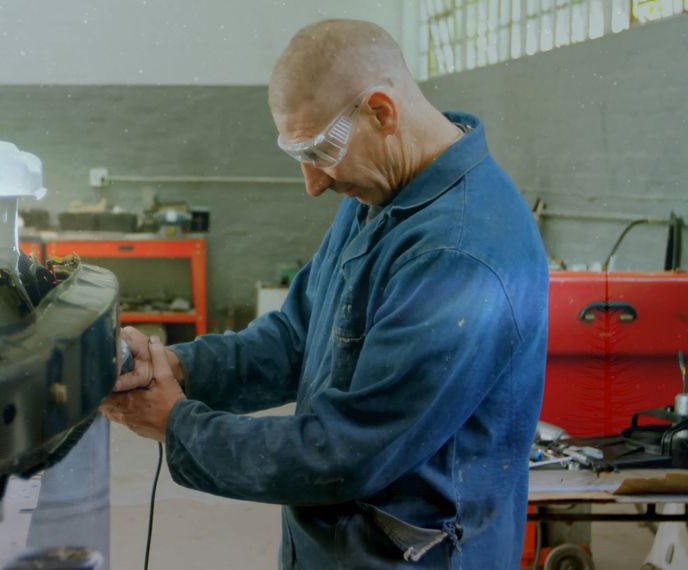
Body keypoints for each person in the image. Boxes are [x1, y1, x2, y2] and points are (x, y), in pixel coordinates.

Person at [101, 19, 548, 569]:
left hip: (415, 555)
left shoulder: (459, 255)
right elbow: (297, 336)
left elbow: (346, 450)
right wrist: (176, 364)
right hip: (340, 544)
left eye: (320, 152)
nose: (313, 185)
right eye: (300, 157)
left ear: (382, 112)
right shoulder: (383, 192)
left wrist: (178, 423)